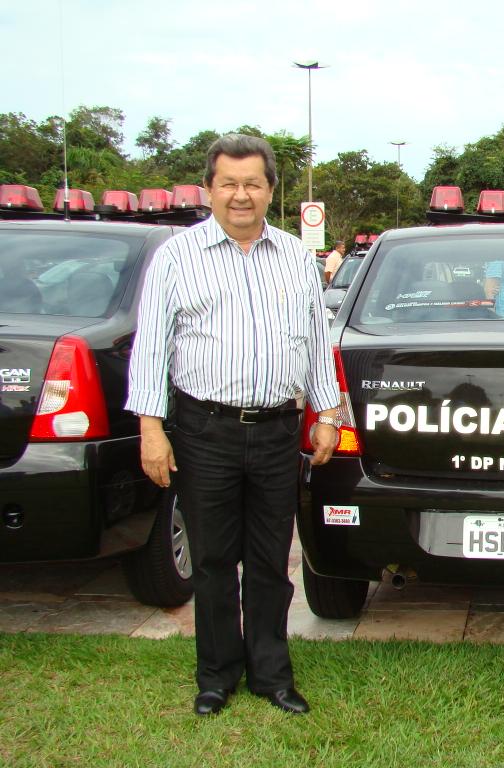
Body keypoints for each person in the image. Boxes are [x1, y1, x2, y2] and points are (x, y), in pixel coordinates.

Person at [126, 134, 340, 717]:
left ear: (271, 190)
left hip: (276, 431)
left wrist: (327, 414)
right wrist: (151, 427)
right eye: (228, 183)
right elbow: (152, 347)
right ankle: (216, 676)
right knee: (215, 560)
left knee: (272, 560)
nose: (240, 195)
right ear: (209, 189)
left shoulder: (298, 258)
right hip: (204, 431)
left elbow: (317, 340)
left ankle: (272, 675)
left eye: (252, 183)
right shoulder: (176, 256)